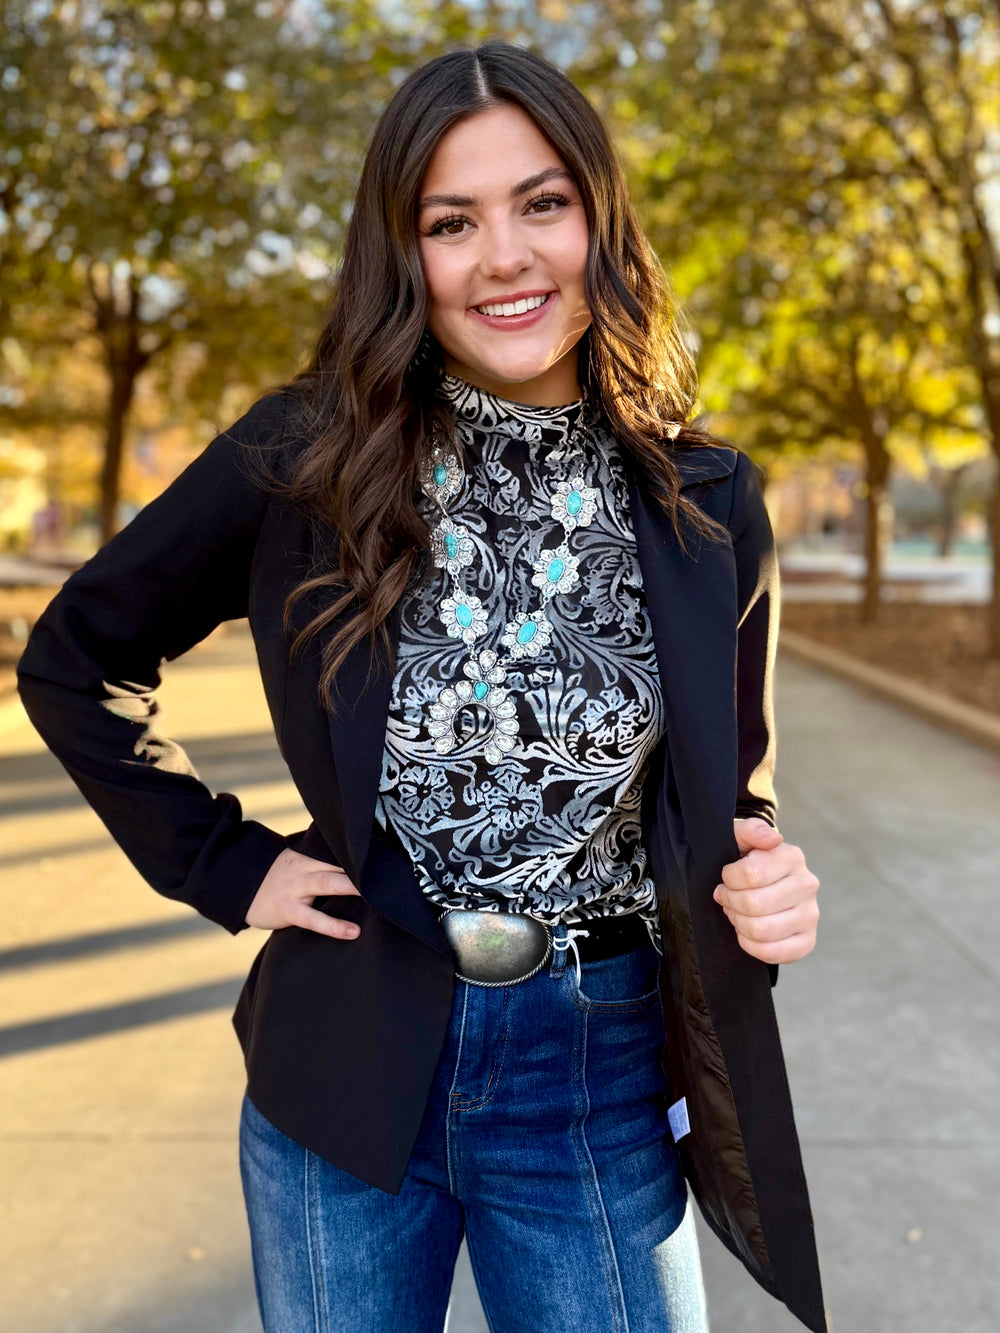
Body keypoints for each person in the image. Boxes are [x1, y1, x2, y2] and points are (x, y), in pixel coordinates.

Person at [17, 39, 826, 1333]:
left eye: (542, 204)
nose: (504, 257)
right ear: (403, 256)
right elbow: (75, 657)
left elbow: (733, 787)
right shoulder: (306, 458)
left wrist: (768, 876)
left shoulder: (707, 501)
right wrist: (225, 864)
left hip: (595, 1081)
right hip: (349, 1061)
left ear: (601, 223)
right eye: (452, 222)